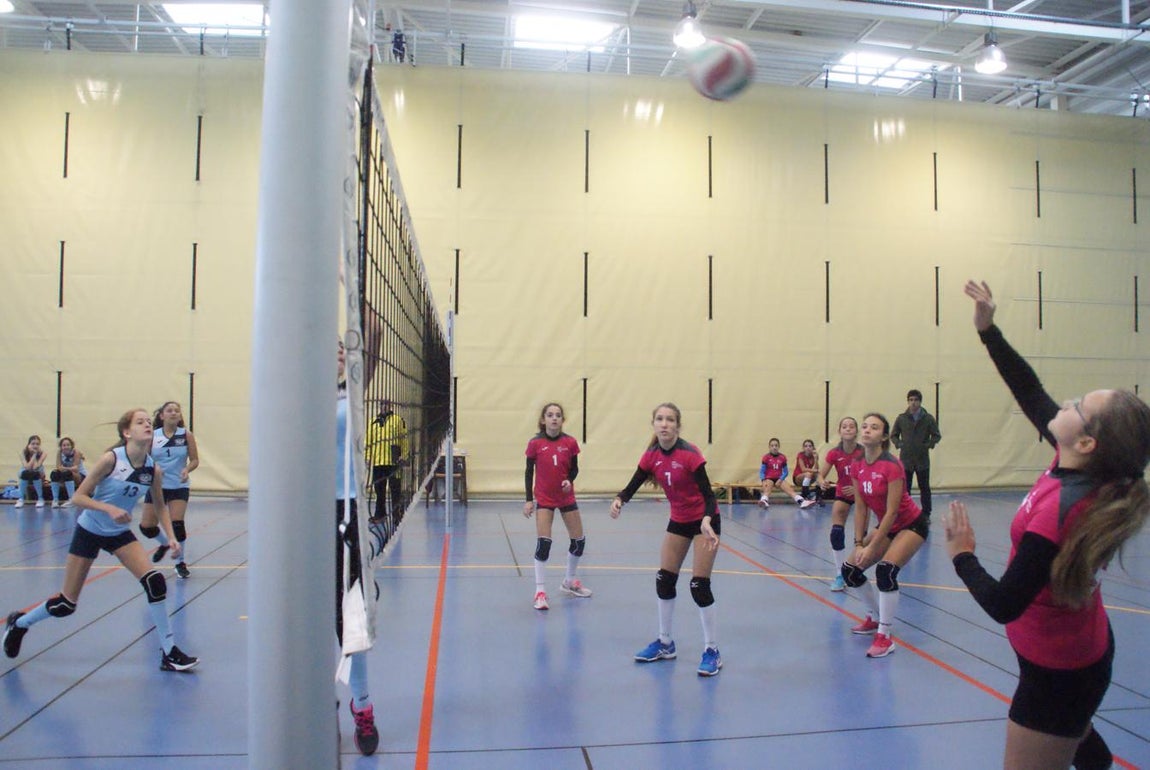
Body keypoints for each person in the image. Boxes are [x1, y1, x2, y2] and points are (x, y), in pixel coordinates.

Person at [943, 279, 1150, 770]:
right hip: (1068, 652)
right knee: (1080, 741)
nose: (1065, 404)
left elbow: (1004, 603)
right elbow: (1029, 389)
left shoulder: (1062, 512)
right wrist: (988, 330)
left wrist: (963, 555)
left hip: (1059, 672)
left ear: (1088, 443)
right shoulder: (1078, 465)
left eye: (1078, 406)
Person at [3, 409, 198, 672]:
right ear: (127, 432)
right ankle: (20, 623)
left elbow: (161, 507)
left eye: (149, 422)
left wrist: (171, 539)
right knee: (66, 604)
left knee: (155, 581)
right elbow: (79, 498)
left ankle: (169, 652)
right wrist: (110, 509)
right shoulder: (111, 460)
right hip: (90, 530)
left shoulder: (154, 470)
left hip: (118, 534)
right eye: (140, 422)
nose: (147, 425)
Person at [609, 403, 723, 676]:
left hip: (704, 522)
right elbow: (634, 482)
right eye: (659, 419)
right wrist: (619, 500)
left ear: (677, 426)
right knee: (664, 579)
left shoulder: (690, 454)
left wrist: (707, 519)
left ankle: (712, 650)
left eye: (670, 420)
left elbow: (709, 495)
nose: (664, 424)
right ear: (654, 424)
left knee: (699, 586)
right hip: (679, 521)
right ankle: (665, 643)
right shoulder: (651, 455)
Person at [839, 412, 930, 658]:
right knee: (850, 569)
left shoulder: (892, 465)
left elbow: (891, 513)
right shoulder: (857, 465)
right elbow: (860, 507)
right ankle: (874, 616)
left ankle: (885, 635)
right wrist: (859, 543)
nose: (867, 430)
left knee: (885, 570)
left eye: (874, 428)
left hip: (911, 525)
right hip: (887, 526)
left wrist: (872, 546)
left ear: (884, 436)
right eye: (865, 426)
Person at [336, 338, 380, 756]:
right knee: (309, 619)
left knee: (352, 618)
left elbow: (374, 335)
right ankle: (318, 700)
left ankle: (361, 705)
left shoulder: (351, 393)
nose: (334, 354)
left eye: (340, 349)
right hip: (303, 513)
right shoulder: (295, 392)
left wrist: (355, 288)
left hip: (347, 510)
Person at [523, 402, 591, 610]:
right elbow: (528, 472)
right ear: (543, 420)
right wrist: (528, 499)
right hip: (544, 498)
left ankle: (569, 581)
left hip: (566, 497)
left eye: (558, 415)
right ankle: (540, 591)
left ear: (562, 420)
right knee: (544, 543)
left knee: (579, 541)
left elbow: (575, 469)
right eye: (550, 415)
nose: (554, 418)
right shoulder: (535, 443)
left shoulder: (569, 443)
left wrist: (569, 480)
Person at [138, 402, 199, 579]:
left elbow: (194, 460)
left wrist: (187, 469)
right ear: (162, 416)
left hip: (179, 486)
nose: (174, 413)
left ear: (180, 415)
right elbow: (144, 458)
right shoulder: (153, 436)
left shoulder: (186, 435)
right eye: (169, 410)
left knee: (177, 523)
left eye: (176, 410)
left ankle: (180, 562)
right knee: (147, 526)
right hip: (157, 486)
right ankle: (164, 543)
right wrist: (153, 469)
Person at [818, 417, 864, 591]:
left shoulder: (863, 452)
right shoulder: (835, 453)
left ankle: (858, 568)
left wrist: (857, 488)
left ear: (856, 431)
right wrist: (822, 482)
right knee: (836, 532)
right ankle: (839, 574)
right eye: (844, 426)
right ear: (840, 431)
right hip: (843, 493)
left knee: (862, 536)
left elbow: (871, 473)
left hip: (862, 495)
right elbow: (820, 475)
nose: (848, 429)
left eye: (851, 426)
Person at [890, 388, 941, 518]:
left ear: (920, 402)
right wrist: (900, 444)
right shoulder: (901, 418)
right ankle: (906, 513)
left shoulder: (928, 419)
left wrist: (928, 445)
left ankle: (926, 513)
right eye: (911, 400)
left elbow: (936, 436)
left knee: (924, 488)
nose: (913, 403)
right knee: (905, 489)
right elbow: (894, 435)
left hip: (922, 460)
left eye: (916, 400)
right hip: (906, 460)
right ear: (907, 402)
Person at [366, 399, 408, 534]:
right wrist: (367, 457)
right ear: (379, 407)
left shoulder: (398, 420)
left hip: (393, 462)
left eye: (386, 405)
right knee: (379, 490)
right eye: (382, 405)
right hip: (378, 462)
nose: (384, 407)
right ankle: (380, 515)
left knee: (395, 490)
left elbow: (404, 439)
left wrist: (404, 455)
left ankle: (397, 515)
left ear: (390, 406)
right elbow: (368, 441)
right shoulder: (373, 421)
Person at [759, 437, 815, 509]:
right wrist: (763, 480)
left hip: (779, 478)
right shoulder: (766, 457)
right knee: (768, 486)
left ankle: (802, 502)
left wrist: (780, 479)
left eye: (776, 445)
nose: (774, 447)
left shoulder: (782, 457)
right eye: (772, 446)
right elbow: (762, 471)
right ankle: (764, 500)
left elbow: (785, 472)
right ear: (769, 447)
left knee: (790, 490)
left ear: (779, 447)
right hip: (769, 478)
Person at [49, 436, 86, 508]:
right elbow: (58, 466)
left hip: (80, 475)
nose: (66, 447)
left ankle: (72, 500)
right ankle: (55, 500)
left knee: (67, 473)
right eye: (64, 445)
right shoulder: (59, 453)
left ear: (72, 446)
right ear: (61, 447)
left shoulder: (76, 452)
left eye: (68, 445)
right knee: (54, 473)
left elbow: (75, 468)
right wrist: (62, 469)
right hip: (66, 474)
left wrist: (65, 468)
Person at [15, 435, 47, 509]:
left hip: (38, 474)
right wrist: (32, 455)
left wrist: (35, 454)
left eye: (37, 444)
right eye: (33, 444)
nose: (35, 446)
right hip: (26, 474)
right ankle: (21, 498)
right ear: (28, 444)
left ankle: (40, 498)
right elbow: (27, 467)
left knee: (35, 473)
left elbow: (36, 467)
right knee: (25, 473)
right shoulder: (23, 452)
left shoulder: (43, 453)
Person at [792, 439, 821, 504]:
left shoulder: (813, 456)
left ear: (813, 448)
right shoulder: (800, 455)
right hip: (798, 477)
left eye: (810, 446)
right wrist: (814, 470)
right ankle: (805, 495)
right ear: (803, 448)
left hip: (808, 477)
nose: (808, 448)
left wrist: (816, 459)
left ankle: (819, 495)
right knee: (808, 474)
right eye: (806, 446)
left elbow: (816, 469)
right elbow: (803, 469)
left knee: (818, 474)